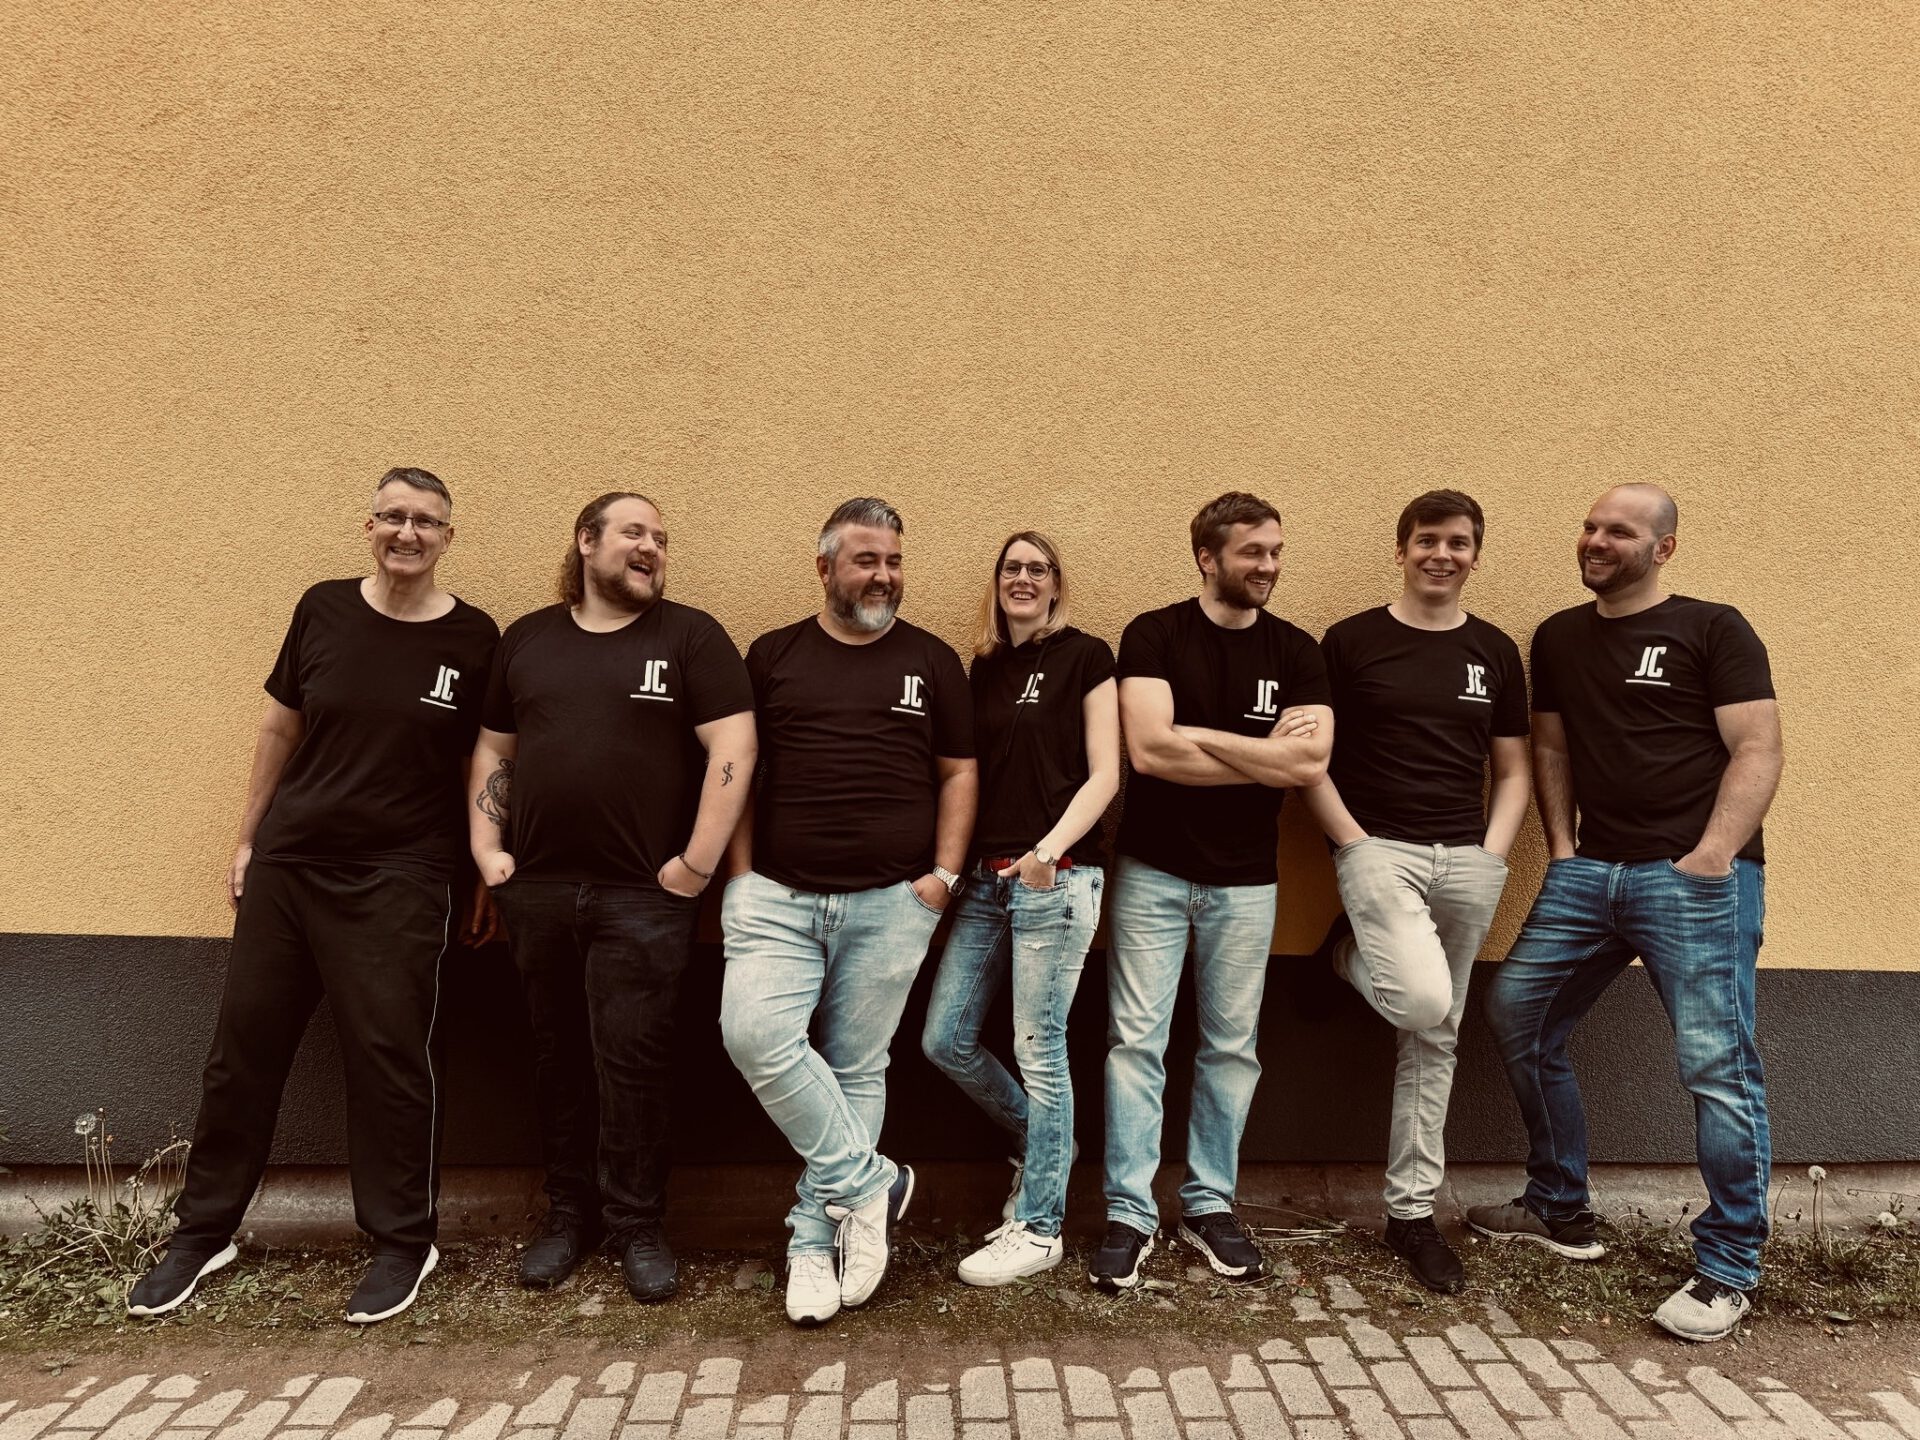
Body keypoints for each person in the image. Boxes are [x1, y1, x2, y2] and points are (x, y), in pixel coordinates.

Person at [128, 467, 499, 1325]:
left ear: (449, 537)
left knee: (390, 1058)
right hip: (291, 864)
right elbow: (279, 726)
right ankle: (204, 1231)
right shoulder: (322, 609)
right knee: (242, 1053)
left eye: (427, 521)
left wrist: (484, 870)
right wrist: (248, 839)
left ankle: (403, 1241)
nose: (408, 533)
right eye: (393, 516)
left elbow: (484, 762)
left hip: (402, 873)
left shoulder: (476, 637)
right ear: (369, 527)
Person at [1469, 483, 1783, 1344]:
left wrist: (1712, 854)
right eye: (1590, 526)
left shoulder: (1713, 628)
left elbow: (1758, 748)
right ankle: (1557, 1202)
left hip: (1694, 880)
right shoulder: (1559, 636)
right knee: (1520, 1014)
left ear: (1663, 547)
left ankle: (1728, 1268)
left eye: (1620, 531)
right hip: (1592, 873)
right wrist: (1563, 848)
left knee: (1716, 1065)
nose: (1597, 540)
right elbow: (1552, 747)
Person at [469, 493, 755, 1303]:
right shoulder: (528, 640)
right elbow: (495, 748)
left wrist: (696, 867)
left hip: (643, 897)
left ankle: (638, 1225)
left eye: (661, 537)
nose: (652, 547)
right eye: (635, 533)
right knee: (557, 1059)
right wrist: (487, 850)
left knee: (634, 1065)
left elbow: (735, 746)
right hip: (539, 893)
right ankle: (568, 1217)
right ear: (586, 541)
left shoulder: (690, 638)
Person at [719, 498, 978, 1326]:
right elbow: (744, 771)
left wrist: (942, 878)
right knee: (754, 1034)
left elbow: (958, 773)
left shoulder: (931, 660)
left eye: (894, 561)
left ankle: (810, 1240)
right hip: (778, 900)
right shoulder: (773, 655)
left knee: (858, 1068)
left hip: (893, 903)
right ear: (825, 566)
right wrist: (740, 878)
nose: (884, 576)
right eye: (867, 560)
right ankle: (875, 1181)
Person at [1094, 492, 1333, 1292]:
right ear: (1207, 556)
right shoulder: (1155, 634)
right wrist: (1259, 754)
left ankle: (1208, 1205)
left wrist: (1197, 734)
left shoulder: (1297, 650)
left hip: (1246, 881)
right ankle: (1129, 1212)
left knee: (1231, 1048)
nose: (1268, 565)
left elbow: (1308, 765)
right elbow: (1150, 754)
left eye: (1275, 551)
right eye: (1252, 551)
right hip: (1152, 872)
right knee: (1137, 1044)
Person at [1300, 490, 1529, 1293]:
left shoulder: (1494, 651)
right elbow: (1310, 760)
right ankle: (1344, 956)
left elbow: (1511, 768)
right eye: (1427, 540)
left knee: (1437, 1038)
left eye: (1458, 542)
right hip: (1379, 851)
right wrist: (1353, 844)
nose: (1442, 554)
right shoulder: (1351, 642)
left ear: (1475, 555)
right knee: (1425, 1004)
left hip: (1468, 858)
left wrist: (1492, 856)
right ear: (1400, 551)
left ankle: (1411, 1214)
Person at [921, 532, 1119, 1286]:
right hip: (984, 881)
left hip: (1055, 877)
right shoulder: (983, 667)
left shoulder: (1086, 657)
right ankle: (1048, 1148)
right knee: (945, 1040)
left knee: (1041, 1050)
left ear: (1057, 584)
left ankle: (1040, 1226)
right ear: (997, 582)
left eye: (1039, 569)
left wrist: (1046, 853)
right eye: (1013, 568)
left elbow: (1106, 774)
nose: (1025, 579)